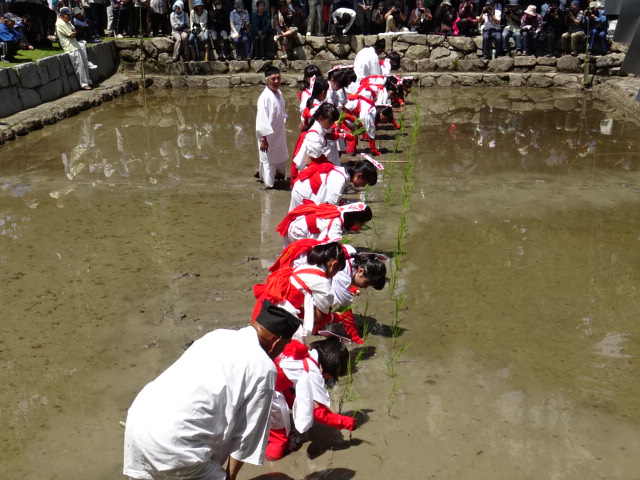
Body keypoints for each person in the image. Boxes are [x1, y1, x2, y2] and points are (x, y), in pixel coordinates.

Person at [123, 300, 302, 480]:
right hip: (175, 442)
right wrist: (230, 478)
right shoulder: (263, 368)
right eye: (284, 346)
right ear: (277, 342)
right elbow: (247, 437)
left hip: (139, 423)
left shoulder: (217, 336)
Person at [265, 337, 355, 460]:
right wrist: (346, 422)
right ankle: (272, 455)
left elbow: (285, 376)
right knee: (279, 435)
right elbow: (318, 413)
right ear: (328, 369)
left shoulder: (300, 351)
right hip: (264, 389)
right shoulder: (311, 373)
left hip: (264, 375)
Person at [253, 240, 346, 338]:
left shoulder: (300, 267)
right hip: (276, 319)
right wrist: (335, 317)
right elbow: (318, 317)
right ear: (334, 265)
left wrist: (299, 311)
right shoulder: (323, 283)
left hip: (262, 309)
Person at [330, 244, 386, 343]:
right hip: (299, 269)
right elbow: (346, 310)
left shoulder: (352, 253)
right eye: (366, 283)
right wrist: (355, 338)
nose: (365, 287)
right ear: (360, 271)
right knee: (330, 303)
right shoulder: (342, 278)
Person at [289, 159, 378, 210]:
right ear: (359, 176)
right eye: (365, 183)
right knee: (299, 223)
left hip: (307, 191)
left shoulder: (343, 174)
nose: (363, 186)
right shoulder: (340, 180)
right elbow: (331, 207)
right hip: (303, 193)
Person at [276, 201, 372, 246]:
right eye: (363, 223)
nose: (362, 226)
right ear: (356, 220)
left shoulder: (340, 211)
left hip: (299, 223)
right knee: (304, 260)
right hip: (299, 231)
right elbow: (327, 246)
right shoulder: (336, 224)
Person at [256, 66, 288, 189]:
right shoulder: (264, 97)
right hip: (268, 135)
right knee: (269, 158)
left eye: (278, 78)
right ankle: (269, 185)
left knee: (280, 155)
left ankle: (279, 176)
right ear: (266, 80)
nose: (276, 82)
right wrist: (263, 139)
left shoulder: (279, 93)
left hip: (278, 132)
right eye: (273, 79)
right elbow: (262, 120)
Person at [55, 7, 94, 90]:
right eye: (67, 15)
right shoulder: (60, 23)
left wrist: (74, 32)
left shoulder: (67, 22)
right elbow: (71, 34)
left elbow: (74, 31)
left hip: (75, 44)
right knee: (79, 66)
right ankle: (84, 84)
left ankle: (88, 81)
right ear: (62, 15)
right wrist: (74, 32)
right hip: (70, 47)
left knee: (84, 63)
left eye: (69, 15)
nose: (69, 17)